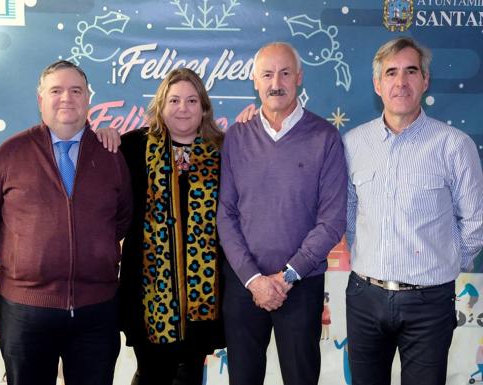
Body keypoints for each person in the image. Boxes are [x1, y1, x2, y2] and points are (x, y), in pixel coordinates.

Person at [0, 60, 132, 385]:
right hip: (26, 308)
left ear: (88, 98)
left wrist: (94, 250)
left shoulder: (110, 153)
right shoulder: (12, 153)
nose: (66, 98)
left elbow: (122, 218)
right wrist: (22, 251)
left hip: (96, 309)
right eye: (56, 90)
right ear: (40, 99)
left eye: (76, 91)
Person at [343, 37, 483, 385]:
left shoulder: (454, 145)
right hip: (364, 297)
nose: (400, 82)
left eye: (410, 71)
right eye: (391, 73)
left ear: (425, 80)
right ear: (378, 84)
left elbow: (476, 221)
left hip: (429, 302)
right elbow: (348, 212)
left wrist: (443, 264)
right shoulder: (353, 144)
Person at [217, 41, 347, 385]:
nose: (277, 82)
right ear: (255, 81)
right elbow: (226, 214)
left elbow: (332, 220)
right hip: (244, 285)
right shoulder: (236, 136)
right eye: (268, 74)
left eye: (285, 73)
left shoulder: (325, 137)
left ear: (299, 78)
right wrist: (254, 279)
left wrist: (286, 276)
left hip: (301, 286)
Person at [118, 67, 225, 385]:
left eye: (192, 100)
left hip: (201, 298)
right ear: (160, 107)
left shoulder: (222, 152)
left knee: (191, 374)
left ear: (203, 107)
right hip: (148, 294)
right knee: (151, 374)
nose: (183, 108)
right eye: (174, 100)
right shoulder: (132, 148)